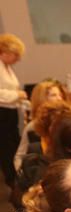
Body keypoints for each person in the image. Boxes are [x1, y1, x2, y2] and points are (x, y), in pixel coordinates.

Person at [0, 34, 27, 188]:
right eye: (16, 55)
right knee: (6, 147)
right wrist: (17, 95)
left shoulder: (6, 67)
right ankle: (12, 179)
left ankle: (14, 176)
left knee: (12, 144)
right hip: (2, 113)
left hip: (9, 112)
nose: (18, 59)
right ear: (6, 52)